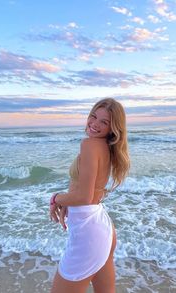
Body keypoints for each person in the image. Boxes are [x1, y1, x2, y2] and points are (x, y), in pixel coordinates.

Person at [49, 98, 130, 293]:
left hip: (88, 234)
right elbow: (88, 193)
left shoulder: (90, 145)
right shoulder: (104, 147)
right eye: (93, 117)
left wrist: (56, 198)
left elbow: (85, 196)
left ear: (113, 128)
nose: (94, 124)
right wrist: (70, 199)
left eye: (104, 122)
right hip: (101, 227)